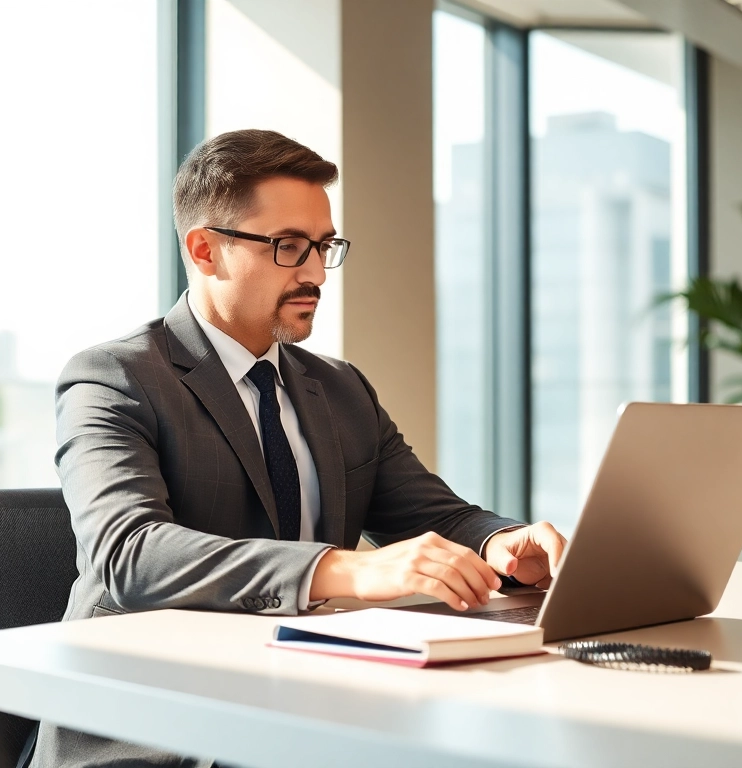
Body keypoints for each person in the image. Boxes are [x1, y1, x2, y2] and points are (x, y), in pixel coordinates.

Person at [33, 129, 566, 768]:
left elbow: (435, 516)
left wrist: (498, 541)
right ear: (205, 250)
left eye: (324, 246)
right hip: (156, 730)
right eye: (288, 246)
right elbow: (131, 552)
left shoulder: (339, 388)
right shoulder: (114, 377)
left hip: (310, 709)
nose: (315, 272)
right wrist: (347, 569)